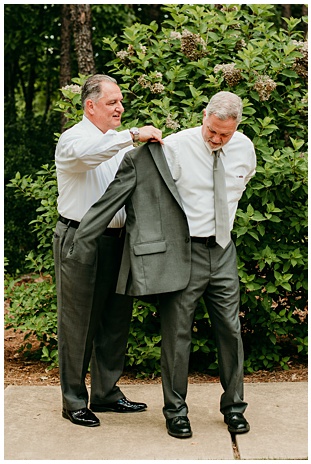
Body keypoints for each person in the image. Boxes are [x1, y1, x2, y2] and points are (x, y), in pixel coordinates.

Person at [68, 91, 257, 439]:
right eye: (211, 130)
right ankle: (176, 412)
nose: (215, 139)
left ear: (236, 128)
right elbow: (134, 187)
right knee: (176, 334)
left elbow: (239, 188)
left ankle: (234, 408)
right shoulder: (174, 147)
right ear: (204, 117)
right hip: (185, 253)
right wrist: (85, 238)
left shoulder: (245, 149)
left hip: (223, 250)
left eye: (223, 135)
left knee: (230, 330)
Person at [54, 73, 161, 427]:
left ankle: (106, 393)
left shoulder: (118, 143)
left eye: (120, 101)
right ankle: (73, 401)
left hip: (118, 241)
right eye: (112, 102)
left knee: (116, 320)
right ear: (90, 105)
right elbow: (89, 155)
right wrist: (130, 136)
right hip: (80, 239)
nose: (120, 107)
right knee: (78, 324)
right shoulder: (73, 140)